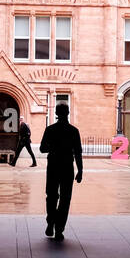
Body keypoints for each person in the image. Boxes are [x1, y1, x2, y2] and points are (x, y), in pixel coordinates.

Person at [39, 103, 82, 241]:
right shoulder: (74, 131)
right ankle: (59, 229)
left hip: (53, 166)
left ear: (57, 113)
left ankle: (51, 221)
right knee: (65, 198)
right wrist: (80, 170)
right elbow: (78, 153)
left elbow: (42, 149)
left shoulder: (50, 130)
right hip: (67, 167)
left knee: (51, 196)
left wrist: (53, 147)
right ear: (68, 112)